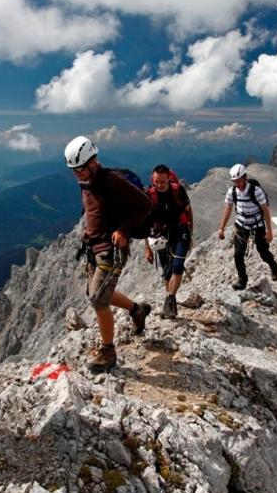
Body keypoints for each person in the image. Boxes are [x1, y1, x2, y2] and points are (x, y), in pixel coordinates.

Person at [66, 136, 153, 373]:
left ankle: (108, 351)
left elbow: (145, 204)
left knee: (97, 299)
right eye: (73, 170)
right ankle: (137, 309)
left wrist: (123, 230)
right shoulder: (87, 181)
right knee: (100, 292)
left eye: (80, 168)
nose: (77, 174)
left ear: (93, 161)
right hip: (94, 249)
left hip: (111, 250)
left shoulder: (111, 180)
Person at [143, 164, 194, 319]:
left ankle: (170, 298)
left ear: (169, 180)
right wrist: (147, 248)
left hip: (181, 230)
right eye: (156, 182)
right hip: (161, 234)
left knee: (178, 266)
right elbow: (146, 222)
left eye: (162, 182)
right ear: (153, 179)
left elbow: (188, 211)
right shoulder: (150, 195)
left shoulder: (178, 191)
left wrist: (191, 233)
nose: (159, 185)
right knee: (167, 272)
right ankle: (169, 304)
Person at [217, 164, 277, 290]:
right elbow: (227, 210)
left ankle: (273, 266)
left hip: (258, 225)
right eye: (235, 181)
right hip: (241, 225)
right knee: (238, 254)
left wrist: (269, 230)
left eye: (239, 180)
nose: (238, 184)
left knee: (263, 252)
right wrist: (221, 228)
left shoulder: (256, 191)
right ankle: (242, 280)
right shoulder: (232, 192)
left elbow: (265, 210)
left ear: (245, 177)